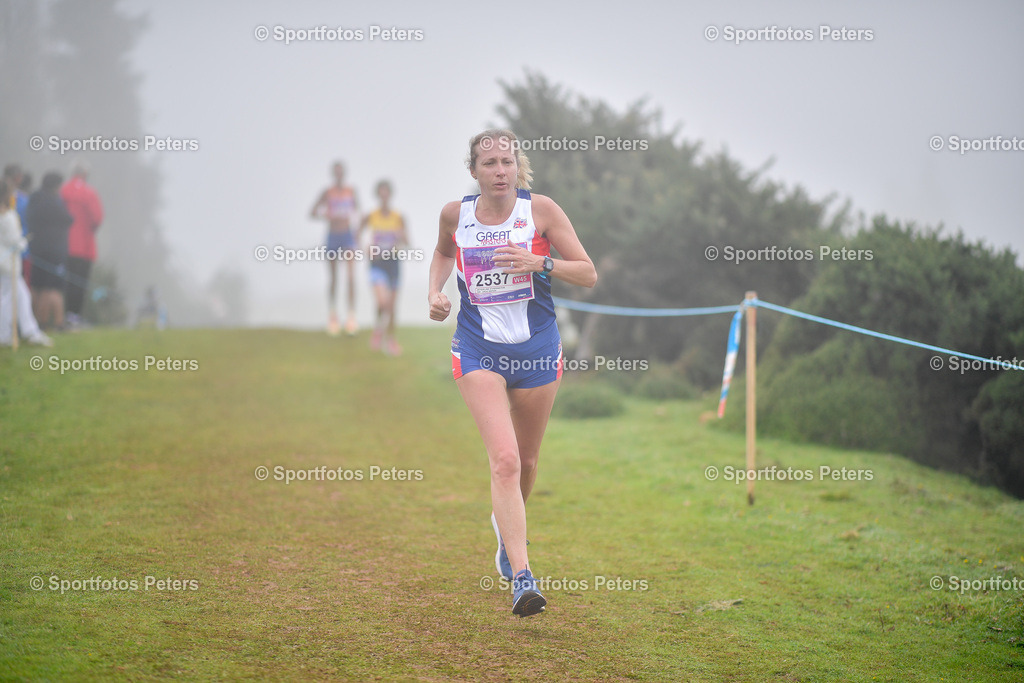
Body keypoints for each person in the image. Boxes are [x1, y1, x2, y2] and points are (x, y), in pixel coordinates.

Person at [427, 129, 597, 616]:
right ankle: (523, 577)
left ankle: (506, 536)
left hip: (539, 350)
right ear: (474, 171)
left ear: (516, 165)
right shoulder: (454, 215)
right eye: (490, 163)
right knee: (503, 460)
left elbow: (586, 271)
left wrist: (539, 263)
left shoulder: (540, 211)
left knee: (526, 464)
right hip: (477, 350)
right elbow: (442, 253)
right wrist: (436, 293)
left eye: (507, 161)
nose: (500, 170)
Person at [0, 177, 53, 347]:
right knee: (9, 300)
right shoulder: (8, 216)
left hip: (6, 264)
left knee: (22, 297)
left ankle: (30, 332)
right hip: (9, 265)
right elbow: (14, 240)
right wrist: (22, 243)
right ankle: (6, 334)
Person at [310, 161, 359, 336]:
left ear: (344, 174)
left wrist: (358, 232)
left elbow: (357, 211)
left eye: (341, 172)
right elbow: (312, 212)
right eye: (336, 172)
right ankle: (333, 316)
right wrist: (326, 214)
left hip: (347, 235)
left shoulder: (351, 191)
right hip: (332, 236)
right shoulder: (327, 192)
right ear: (333, 174)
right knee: (334, 278)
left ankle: (351, 318)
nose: (338, 175)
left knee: (351, 277)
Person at [359, 179, 408, 355]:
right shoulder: (371, 216)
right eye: (381, 193)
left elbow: (407, 242)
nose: (384, 196)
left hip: (393, 263)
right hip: (377, 264)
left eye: (387, 192)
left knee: (392, 306)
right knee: (382, 302)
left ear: (390, 194)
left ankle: (391, 341)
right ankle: (379, 330)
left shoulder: (398, 217)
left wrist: (401, 237)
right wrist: (365, 249)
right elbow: (357, 234)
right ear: (378, 195)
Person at [25, 171, 73, 330]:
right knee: (49, 287)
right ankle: (42, 322)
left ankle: (29, 321)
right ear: (55, 186)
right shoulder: (54, 201)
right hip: (54, 251)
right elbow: (69, 219)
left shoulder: (34, 199)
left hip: (36, 248)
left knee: (35, 286)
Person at [61, 161, 103, 328]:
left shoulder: (63, 191)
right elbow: (97, 218)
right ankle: (74, 316)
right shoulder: (89, 193)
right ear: (85, 174)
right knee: (80, 282)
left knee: (66, 281)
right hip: (85, 246)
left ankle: (63, 314)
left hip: (65, 244)